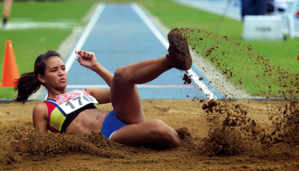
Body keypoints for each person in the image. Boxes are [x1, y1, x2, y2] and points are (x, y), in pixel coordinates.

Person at [13, 28, 193, 152]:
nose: (61, 73)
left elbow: (119, 91)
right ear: (41, 78)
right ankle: (185, 147)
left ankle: (172, 60)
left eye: (63, 68)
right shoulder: (43, 109)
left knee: (121, 74)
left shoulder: (84, 92)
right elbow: (41, 141)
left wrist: (96, 66)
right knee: (158, 127)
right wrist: (26, 146)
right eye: (54, 70)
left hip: (119, 117)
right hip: (107, 135)